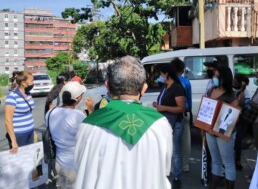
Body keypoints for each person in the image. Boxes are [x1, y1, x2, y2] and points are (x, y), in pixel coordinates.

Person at [74, 56, 173, 189]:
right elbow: (165, 168)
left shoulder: (88, 125)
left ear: (107, 86)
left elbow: (80, 166)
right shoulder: (160, 124)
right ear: (144, 88)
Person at [46, 81, 93, 189]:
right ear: (77, 99)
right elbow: (90, 133)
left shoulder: (51, 112)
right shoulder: (78, 115)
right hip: (73, 166)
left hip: (58, 163)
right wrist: (90, 110)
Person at [206, 66, 240, 189]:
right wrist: (205, 127)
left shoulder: (232, 95)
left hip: (223, 133)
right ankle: (213, 186)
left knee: (228, 163)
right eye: (214, 75)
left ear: (224, 78)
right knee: (215, 161)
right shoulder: (211, 90)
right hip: (209, 131)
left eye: (217, 75)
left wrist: (214, 128)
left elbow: (231, 118)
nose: (214, 77)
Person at [153, 63, 186, 188]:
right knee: (166, 149)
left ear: (166, 74)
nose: (160, 76)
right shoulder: (165, 87)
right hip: (166, 123)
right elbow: (165, 103)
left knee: (176, 150)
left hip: (175, 123)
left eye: (161, 74)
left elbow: (181, 108)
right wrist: (158, 105)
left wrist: (163, 107)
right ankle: (168, 171)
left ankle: (176, 176)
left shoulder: (177, 88)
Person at [4, 71, 35, 154]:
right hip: (19, 135)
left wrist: (33, 130)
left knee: (29, 158)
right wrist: (14, 142)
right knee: (21, 160)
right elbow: (8, 120)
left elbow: (28, 113)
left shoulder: (28, 94)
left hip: (30, 132)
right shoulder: (12, 97)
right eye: (31, 81)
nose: (33, 83)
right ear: (24, 83)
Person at [171, 57, 193, 173]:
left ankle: (172, 166)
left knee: (172, 141)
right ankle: (185, 165)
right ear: (182, 69)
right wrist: (191, 113)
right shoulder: (186, 82)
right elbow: (189, 99)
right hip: (185, 113)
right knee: (185, 140)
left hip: (171, 114)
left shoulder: (168, 81)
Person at [233, 73, 250, 171]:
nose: (233, 81)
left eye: (235, 80)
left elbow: (244, 104)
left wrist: (242, 90)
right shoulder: (231, 89)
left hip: (241, 118)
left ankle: (237, 160)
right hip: (232, 116)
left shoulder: (246, 91)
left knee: (238, 139)